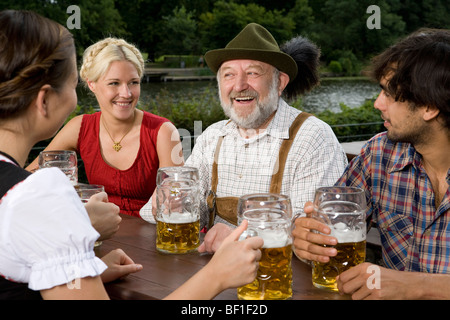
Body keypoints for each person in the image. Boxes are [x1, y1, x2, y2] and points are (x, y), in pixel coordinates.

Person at [0, 9, 264, 300]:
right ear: (45, 100)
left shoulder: (21, 194)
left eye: (133, 82)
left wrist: (90, 265)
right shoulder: (43, 196)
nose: (125, 92)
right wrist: (216, 276)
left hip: (145, 252)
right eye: (73, 83)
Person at [140, 23, 348, 252]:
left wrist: (242, 236)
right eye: (229, 74)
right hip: (214, 274)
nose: (239, 86)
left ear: (280, 83)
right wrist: (172, 200)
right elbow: (160, 210)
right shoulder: (213, 136)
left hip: (281, 280)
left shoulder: (312, 138)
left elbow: (318, 235)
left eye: (252, 73)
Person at [293, 28, 450, 299]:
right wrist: (306, 239)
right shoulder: (379, 154)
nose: (378, 104)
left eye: (389, 94)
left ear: (429, 106)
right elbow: (326, 226)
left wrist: (418, 287)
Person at [27, 37, 184, 218]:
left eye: (134, 82)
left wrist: (172, 194)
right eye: (114, 83)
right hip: (98, 233)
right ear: (92, 84)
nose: (126, 93)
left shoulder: (163, 131)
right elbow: (28, 176)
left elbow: (177, 198)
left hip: (151, 236)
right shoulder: (80, 127)